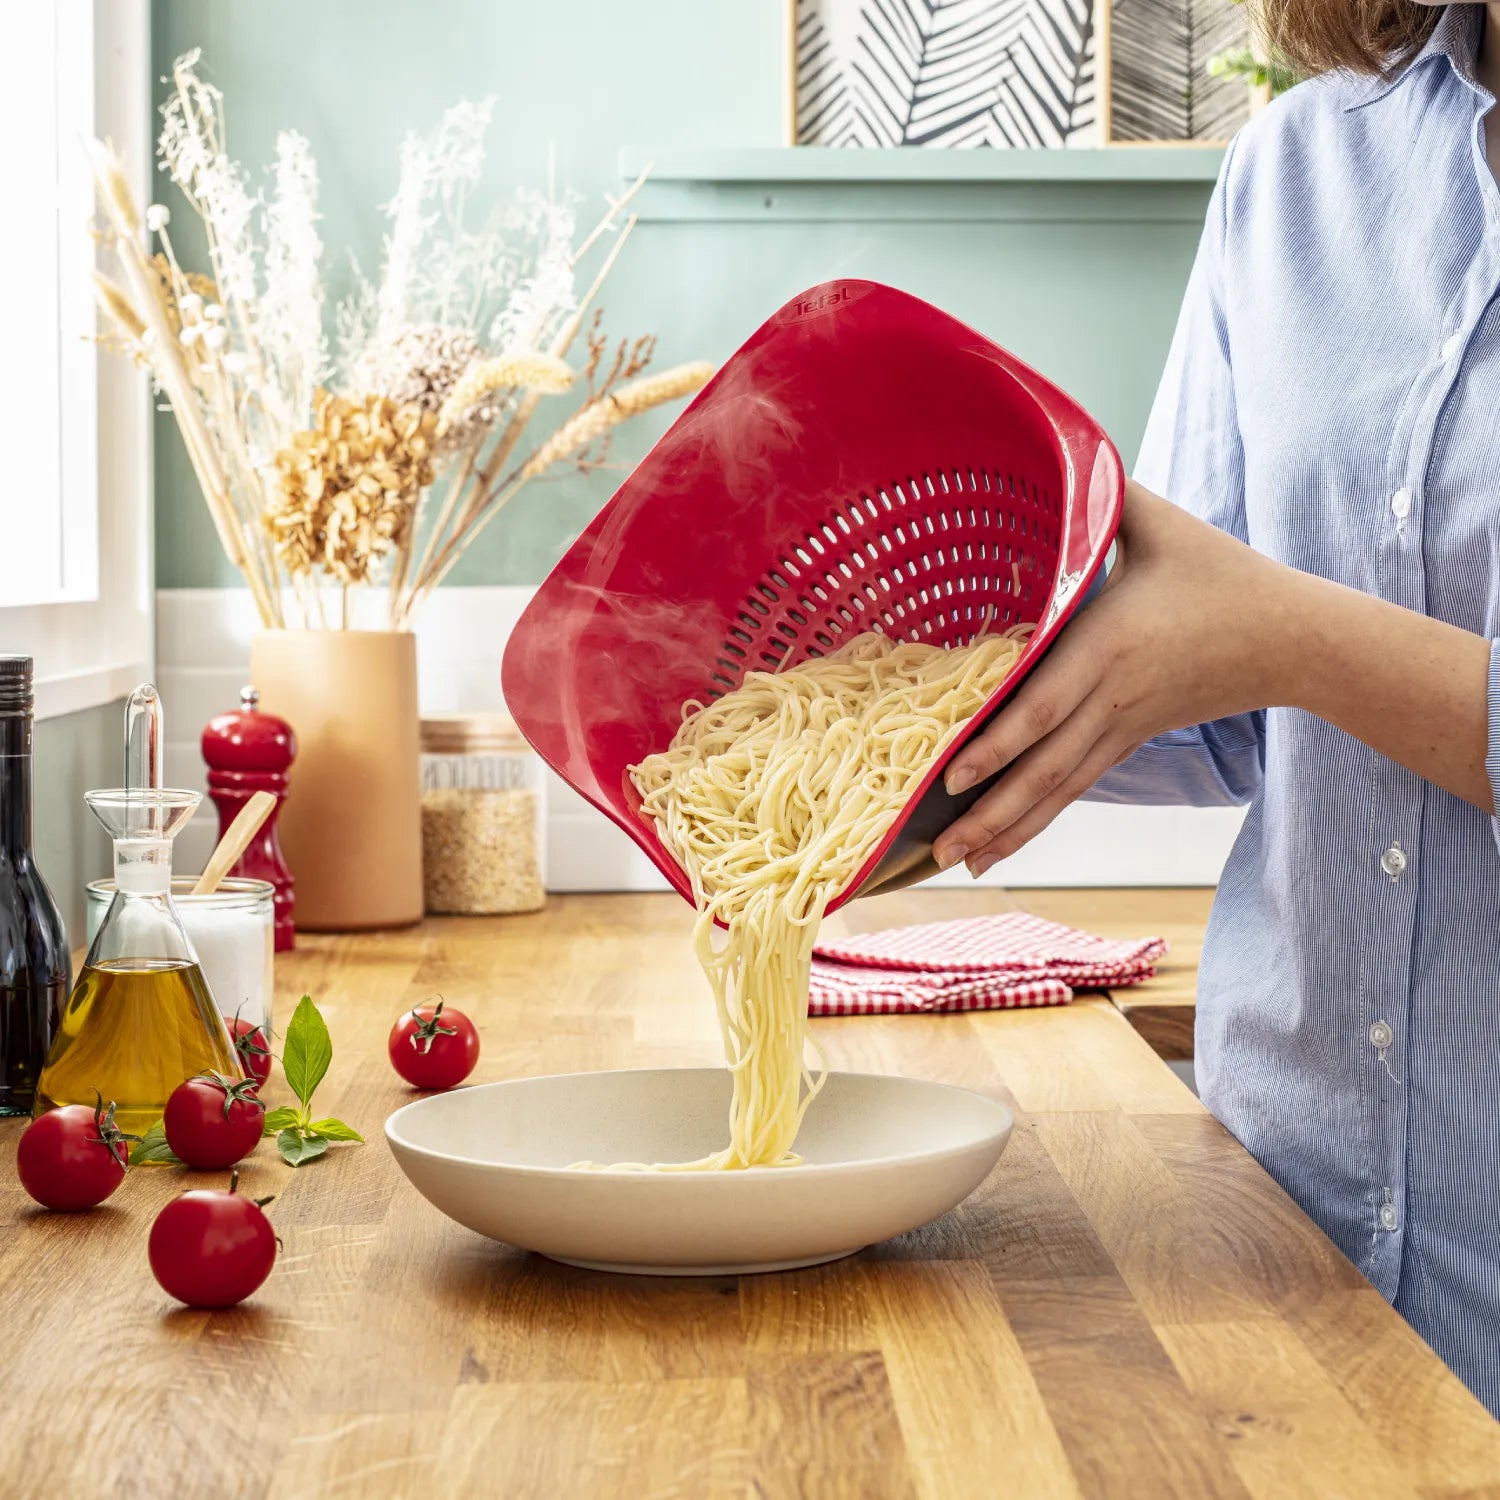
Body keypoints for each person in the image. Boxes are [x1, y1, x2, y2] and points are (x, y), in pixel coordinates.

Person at [934, 0, 1500, 1413]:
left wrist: (1290, 636)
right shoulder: (1299, 171)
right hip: (1269, 1222)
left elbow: (1266, 637)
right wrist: (947, 659)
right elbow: (1217, 699)